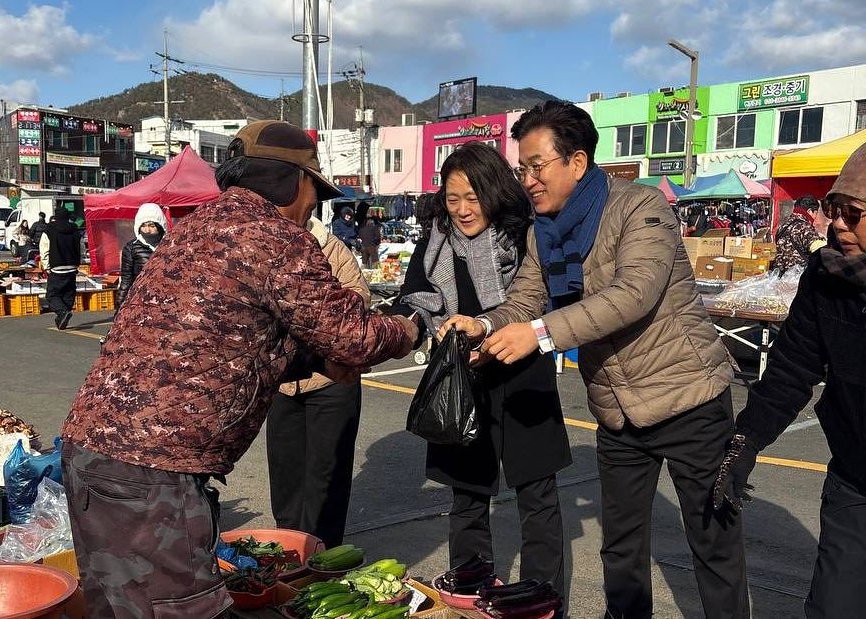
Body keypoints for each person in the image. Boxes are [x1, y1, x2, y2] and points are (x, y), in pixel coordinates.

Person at [60, 120, 417, 619]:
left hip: (92, 452)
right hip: (153, 470)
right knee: (183, 610)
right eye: (315, 189)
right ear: (293, 181)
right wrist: (409, 328)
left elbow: (224, 339)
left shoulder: (197, 228)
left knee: (118, 608)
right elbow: (353, 336)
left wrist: (313, 360)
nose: (313, 205)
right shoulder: (273, 236)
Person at [444, 101, 746, 619]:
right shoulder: (543, 230)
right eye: (522, 169)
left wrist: (539, 335)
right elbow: (525, 298)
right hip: (617, 410)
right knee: (621, 549)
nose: (528, 180)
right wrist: (485, 325)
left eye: (536, 166)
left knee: (713, 545)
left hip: (689, 399)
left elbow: (633, 294)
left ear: (577, 162)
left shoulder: (641, 207)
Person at [394, 141, 572, 597]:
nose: (462, 210)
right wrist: (414, 327)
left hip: (524, 374)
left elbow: (545, 299)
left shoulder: (525, 234)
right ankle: (469, 593)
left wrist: (495, 333)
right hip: (462, 380)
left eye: (473, 198)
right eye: (453, 199)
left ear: (494, 192)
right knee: (467, 496)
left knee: (538, 497)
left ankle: (542, 598)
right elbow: (413, 299)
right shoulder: (434, 242)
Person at [712, 143, 866, 619]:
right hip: (855, 477)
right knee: (834, 606)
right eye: (834, 210)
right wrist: (745, 443)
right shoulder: (826, 275)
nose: (839, 225)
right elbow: (792, 367)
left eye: (854, 213)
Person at [267, 215, 369, 547]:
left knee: (327, 475)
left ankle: (323, 554)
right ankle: (288, 550)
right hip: (283, 383)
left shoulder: (332, 248)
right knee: (285, 475)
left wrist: (314, 321)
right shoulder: (263, 247)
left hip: (331, 381)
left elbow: (358, 304)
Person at [116, 202, 166, 308]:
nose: (147, 230)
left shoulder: (170, 245)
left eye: (152, 226)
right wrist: (120, 305)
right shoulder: (131, 248)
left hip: (166, 299)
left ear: (160, 225)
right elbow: (126, 279)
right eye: (143, 226)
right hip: (141, 300)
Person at [40, 207, 81, 330]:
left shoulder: (49, 229)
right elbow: (81, 247)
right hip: (72, 266)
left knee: (52, 295)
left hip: (57, 266)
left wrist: (46, 266)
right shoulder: (74, 229)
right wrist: (78, 262)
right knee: (68, 293)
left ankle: (62, 312)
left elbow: (44, 248)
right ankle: (62, 318)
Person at [772, 195, 826, 273]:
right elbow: (820, 251)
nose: (815, 217)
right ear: (809, 211)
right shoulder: (804, 227)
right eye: (816, 213)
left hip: (780, 275)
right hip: (798, 275)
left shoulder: (782, 227)